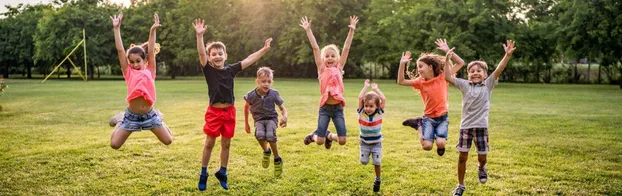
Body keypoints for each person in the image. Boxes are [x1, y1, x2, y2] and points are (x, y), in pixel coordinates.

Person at [193, 18, 272, 191]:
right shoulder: (208, 69)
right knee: (209, 143)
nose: (217, 56)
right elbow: (200, 54)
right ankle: (203, 173)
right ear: (210, 57)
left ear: (225, 56)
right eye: (213, 54)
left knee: (226, 144)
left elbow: (249, 59)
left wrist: (264, 50)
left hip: (229, 112)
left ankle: (223, 172)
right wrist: (199, 36)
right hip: (214, 112)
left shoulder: (231, 69)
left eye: (220, 53)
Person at [446, 40, 516, 196]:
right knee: (462, 156)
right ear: (468, 74)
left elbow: (499, 69)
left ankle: (481, 167)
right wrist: (446, 59)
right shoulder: (464, 85)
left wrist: (507, 55)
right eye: (472, 71)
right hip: (465, 127)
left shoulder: (488, 85)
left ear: (485, 75)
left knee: (482, 157)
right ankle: (460, 185)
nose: (475, 72)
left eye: (479, 71)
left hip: (481, 127)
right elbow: (447, 76)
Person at [109, 12, 172, 150]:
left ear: (144, 60)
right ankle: (121, 119)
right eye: (131, 62)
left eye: (138, 61)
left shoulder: (150, 70)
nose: (135, 64)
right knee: (114, 144)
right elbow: (120, 51)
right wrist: (116, 28)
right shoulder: (128, 72)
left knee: (168, 140)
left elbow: (151, 50)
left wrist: (152, 30)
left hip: (150, 115)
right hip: (132, 116)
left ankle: (158, 117)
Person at [397, 39, 465, 156]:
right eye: (418, 67)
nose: (418, 69)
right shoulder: (420, 82)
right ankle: (419, 124)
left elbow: (460, 63)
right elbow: (401, 81)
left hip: (442, 117)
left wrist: (448, 51)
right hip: (428, 118)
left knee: (441, 143)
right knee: (427, 146)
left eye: (420, 66)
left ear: (430, 67)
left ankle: (439, 145)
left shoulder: (444, 77)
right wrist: (402, 64)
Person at [299, 16, 359, 149]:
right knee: (319, 141)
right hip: (325, 109)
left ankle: (329, 136)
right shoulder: (321, 69)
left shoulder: (339, 68)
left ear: (337, 58)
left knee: (342, 140)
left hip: (338, 109)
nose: (330, 58)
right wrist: (308, 30)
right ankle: (314, 136)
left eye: (333, 56)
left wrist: (352, 31)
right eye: (327, 56)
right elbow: (315, 48)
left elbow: (346, 48)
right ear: (323, 58)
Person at [243, 67, 288, 177]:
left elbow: (282, 108)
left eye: (269, 82)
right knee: (259, 135)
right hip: (258, 119)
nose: (266, 84)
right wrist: (246, 123)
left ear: (272, 82)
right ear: (257, 81)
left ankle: (277, 158)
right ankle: (266, 151)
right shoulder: (251, 95)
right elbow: (246, 108)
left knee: (270, 135)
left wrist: (285, 117)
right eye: (263, 81)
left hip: (271, 119)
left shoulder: (274, 94)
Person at [357, 79, 386, 192]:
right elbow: (360, 98)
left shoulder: (379, 113)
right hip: (364, 142)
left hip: (376, 143)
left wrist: (376, 89)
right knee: (364, 162)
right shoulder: (361, 112)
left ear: (376, 107)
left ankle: (378, 179)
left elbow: (383, 99)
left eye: (371, 106)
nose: (368, 108)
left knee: (377, 162)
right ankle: (366, 154)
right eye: (366, 106)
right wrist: (365, 87)